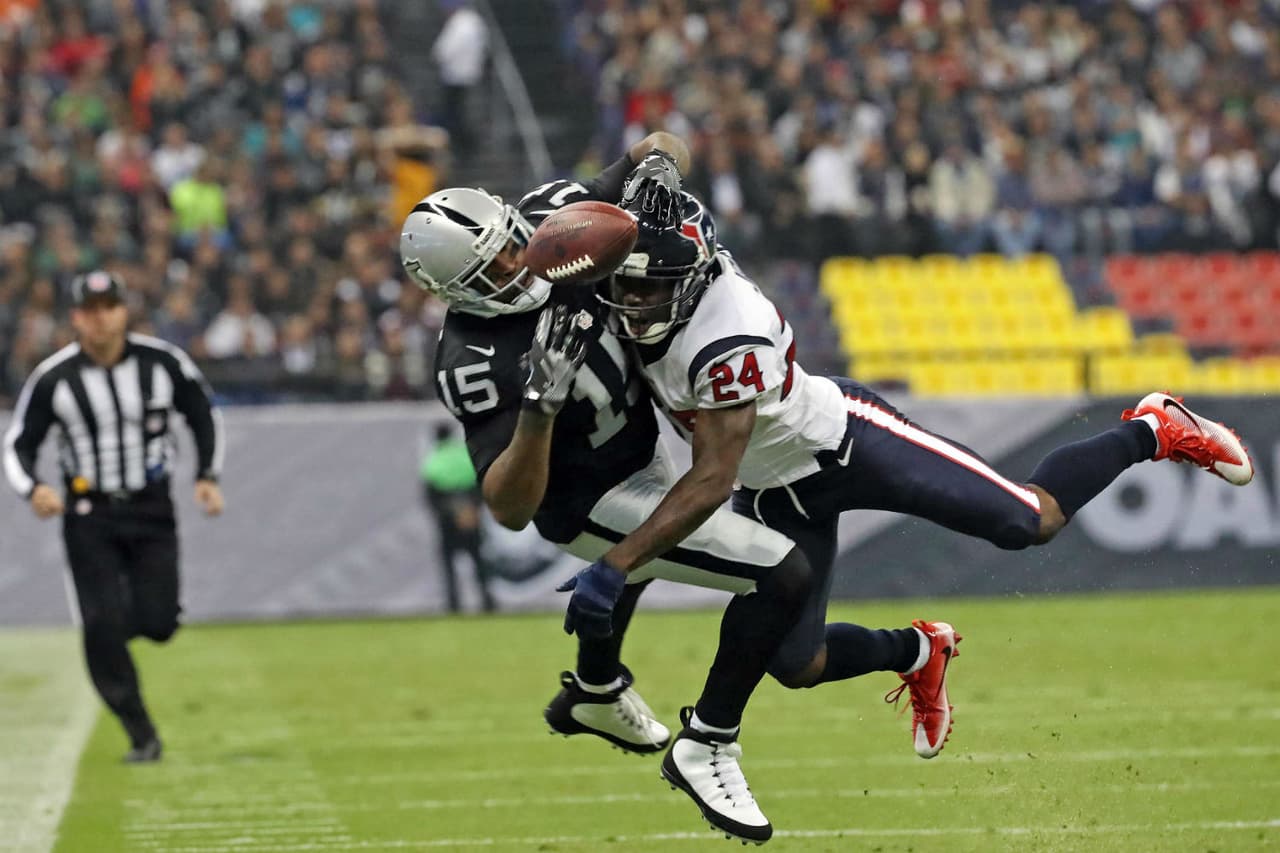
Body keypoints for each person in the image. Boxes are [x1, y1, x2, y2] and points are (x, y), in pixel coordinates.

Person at [570, 184, 1255, 778]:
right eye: (626, 282)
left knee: (1029, 519)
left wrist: (620, 562)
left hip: (849, 443)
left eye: (650, 284)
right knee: (795, 662)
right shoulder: (636, 298)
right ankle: (920, 649)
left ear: (693, 278)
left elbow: (710, 479)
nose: (633, 298)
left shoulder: (729, 329)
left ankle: (1154, 428)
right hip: (777, 488)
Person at [401, 132, 812, 844]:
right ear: (453, 292)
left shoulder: (557, 215)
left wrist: (657, 165)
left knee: (650, 561)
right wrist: (539, 407)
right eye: (490, 266)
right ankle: (709, 744)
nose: (514, 262)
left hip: (649, 441)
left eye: (508, 241)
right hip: (589, 501)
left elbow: (660, 143)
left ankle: (594, 689)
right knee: (783, 572)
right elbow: (508, 507)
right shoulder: (472, 358)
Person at [3, 270, 225, 764]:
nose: (100, 318)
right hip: (89, 513)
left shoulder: (162, 363)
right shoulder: (55, 377)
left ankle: (112, 630)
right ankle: (139, 729)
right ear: (76, 317)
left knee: (160, 621)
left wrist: (207, 473)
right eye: (90, 309)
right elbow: (19, 444)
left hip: (151, 508)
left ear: (125, 311)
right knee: (101, 621)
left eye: (109, 307)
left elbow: (202, 413)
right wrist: (33, 488)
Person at [420, 421, 495, 612]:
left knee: (449, 565)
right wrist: (472, 509)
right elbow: (480, 486)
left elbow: (431, 497)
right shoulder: (464, 456)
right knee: (478, 562)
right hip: (470, 516)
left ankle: (453, 604)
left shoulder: (433, 461)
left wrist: (451, 512)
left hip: (448, 521)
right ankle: (487, 601)